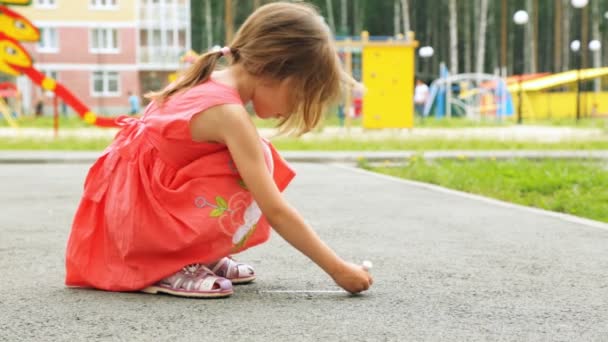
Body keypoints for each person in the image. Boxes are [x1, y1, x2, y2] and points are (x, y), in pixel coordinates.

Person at [65, 2, 373, 298]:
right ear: (275, 71)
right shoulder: (228, 113)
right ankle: (166, 263)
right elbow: (275, 209)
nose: (295, 108)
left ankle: (196, 254)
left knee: (255, 154)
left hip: (131, 211)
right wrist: (339, 270)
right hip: (138, 224)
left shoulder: (209, 79)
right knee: (256, 159)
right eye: (302, 94)